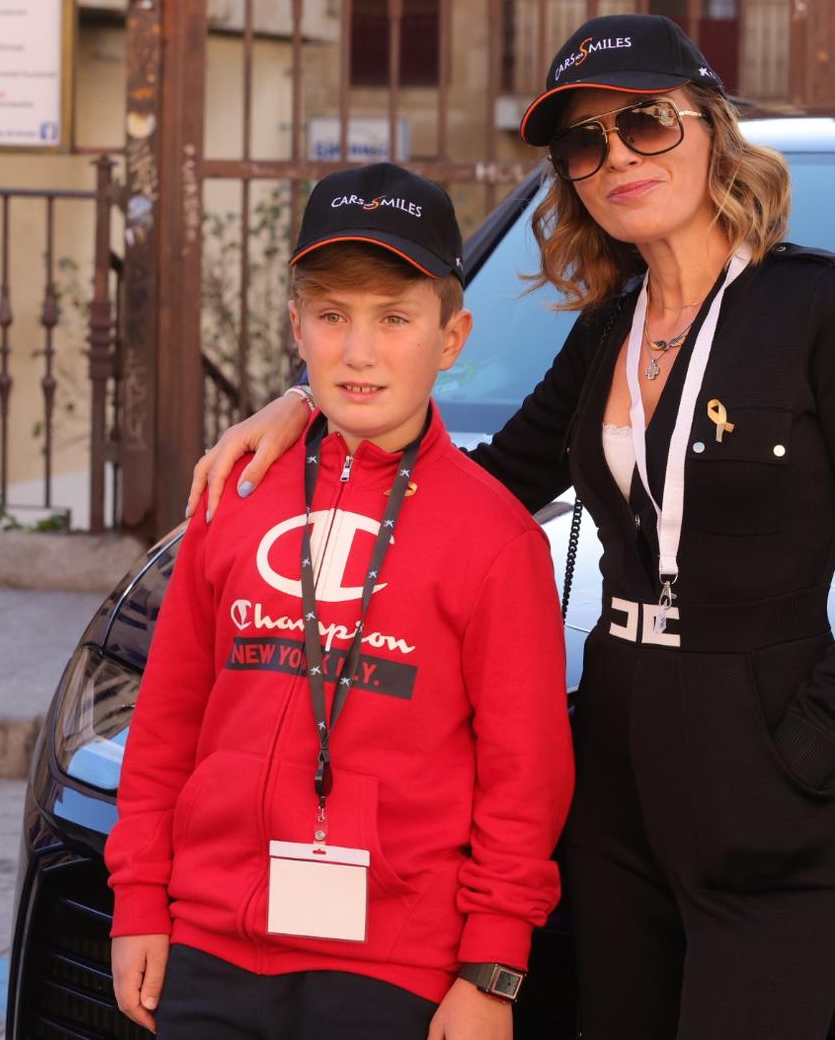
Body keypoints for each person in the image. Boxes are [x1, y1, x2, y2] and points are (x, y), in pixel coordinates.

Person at [189, 13, 835, 1040]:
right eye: (585, 142)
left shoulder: (824, 313)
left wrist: (802, 747)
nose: (617, 158)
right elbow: (484, 485)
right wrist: (315, 401)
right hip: (612, 766)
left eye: (644, 122)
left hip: (764, 761)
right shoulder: (608, 331)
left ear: (710, 126)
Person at [106, 162, 574, 1040]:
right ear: (298, 328)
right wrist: (138, 899)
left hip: (397, 967)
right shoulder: (235, 497)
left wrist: (492, 971)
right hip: (209, 946)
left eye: (395, 319)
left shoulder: (497, 540)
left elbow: (526, 783)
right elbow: (167, 721)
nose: (359, 352)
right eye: (332, 317)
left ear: (451, 335)